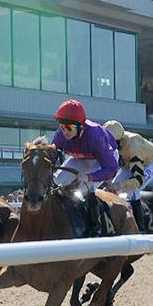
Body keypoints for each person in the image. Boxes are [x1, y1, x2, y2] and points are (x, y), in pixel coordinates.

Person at [50, 99, 121, 236]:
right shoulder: (60, 135)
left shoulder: (95, 135)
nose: (65, 132)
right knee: (58, 181)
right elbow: (51, 157)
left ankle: (95, 226)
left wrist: (90, 177)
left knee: (84, 188)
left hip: (103, 160)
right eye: (62, 127)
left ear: (80, 127)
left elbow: (111, 170)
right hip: (81, 158)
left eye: (69, 128)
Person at [101, 120, 153, 231]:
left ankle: (140, 226)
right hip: (128, 164)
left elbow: (138, 179)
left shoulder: (133, 148)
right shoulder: (117, 142)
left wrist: (119, 186)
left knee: (133, 190)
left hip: (148, 163)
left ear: (118, 141)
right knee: (108, 189)